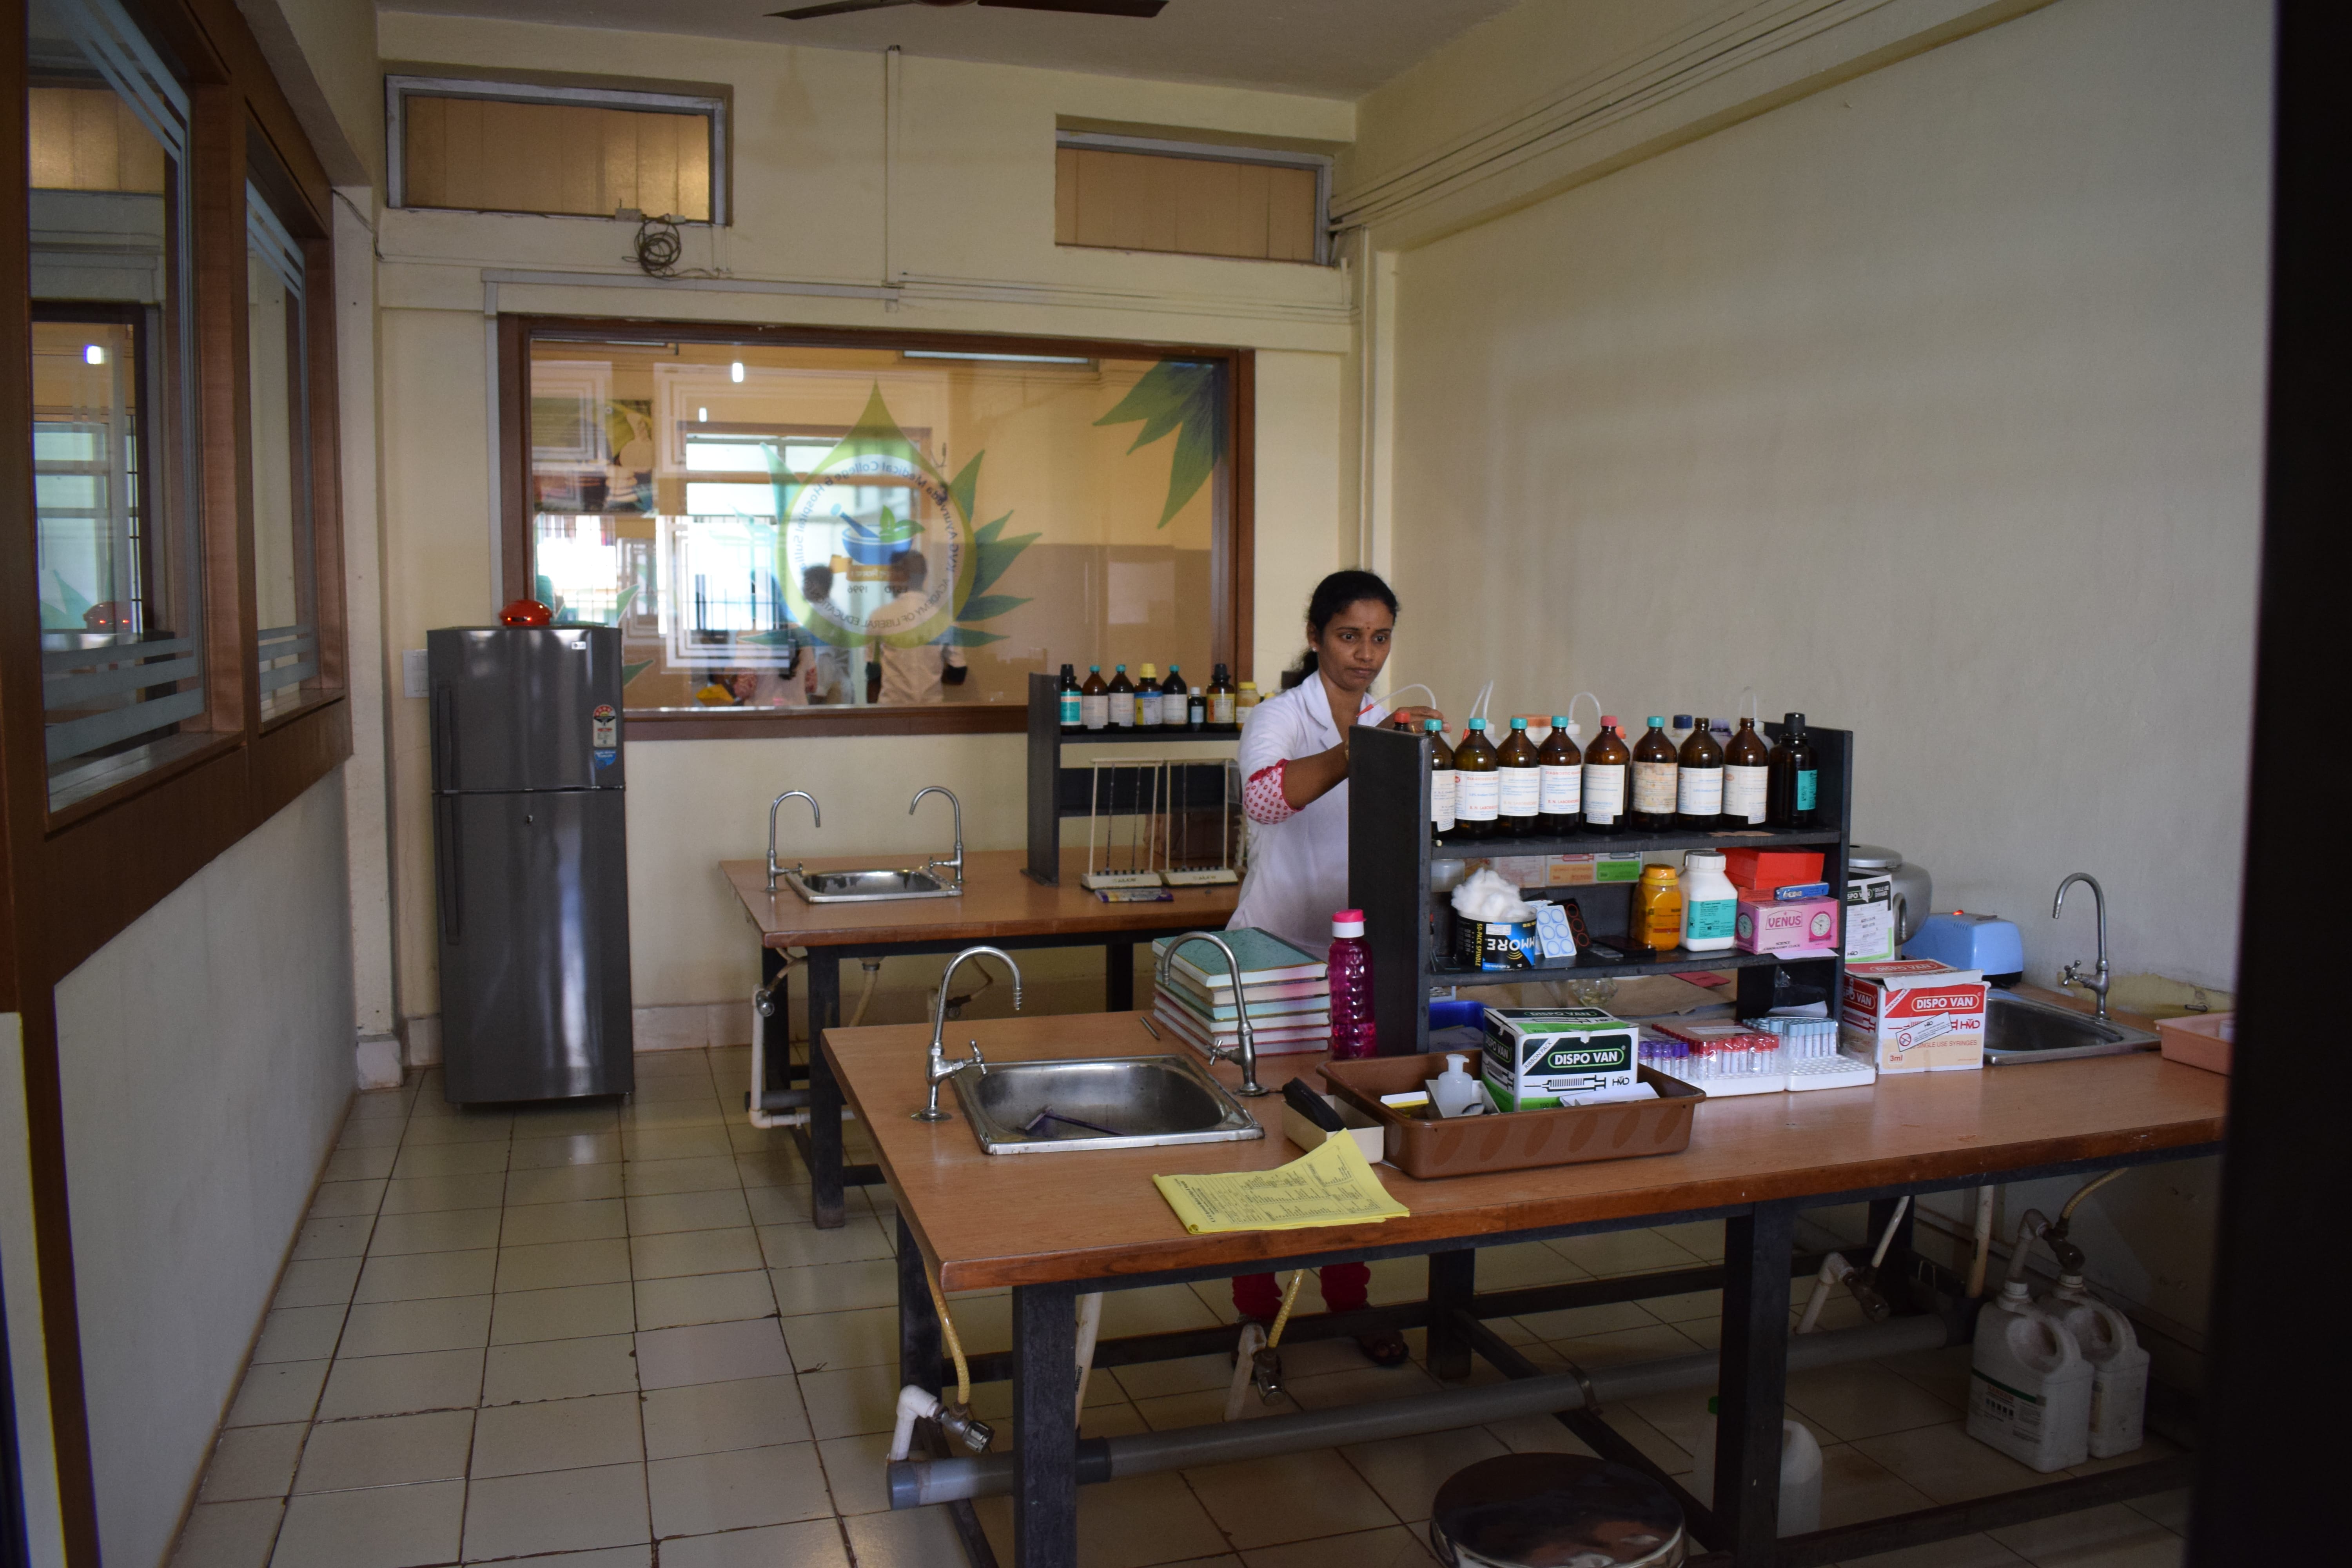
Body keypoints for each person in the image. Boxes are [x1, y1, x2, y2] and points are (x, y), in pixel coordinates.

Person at [1226, 569, 1441, 1367]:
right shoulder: (1279, 716)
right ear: (1317, 636)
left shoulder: (1389, 722)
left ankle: (1349, 1301)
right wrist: (1357, 751)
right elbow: (1266, 800)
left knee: (1350, 1142)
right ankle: (1255, 1313)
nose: (1366, 654)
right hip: (1275, 956)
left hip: (1355, 962)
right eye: (1350, 636)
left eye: (1380, 638)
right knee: (1261, 1144)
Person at [875, 551, 968, 705]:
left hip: (891, 711)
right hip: (931, 711)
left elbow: (872, 673)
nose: (888, 580)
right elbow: (958, 674)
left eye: (890, 573)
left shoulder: (879, 617)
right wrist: (932, 676)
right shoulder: (946, 620)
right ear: (924, 575)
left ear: (901, 575)